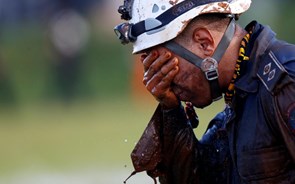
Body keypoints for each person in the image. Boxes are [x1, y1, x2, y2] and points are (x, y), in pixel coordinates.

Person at [114, 0, 295, 183]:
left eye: (165, 65)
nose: (165, 83)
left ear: (204, 43)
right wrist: (170, 110)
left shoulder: (285, 82)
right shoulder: (239, 98)